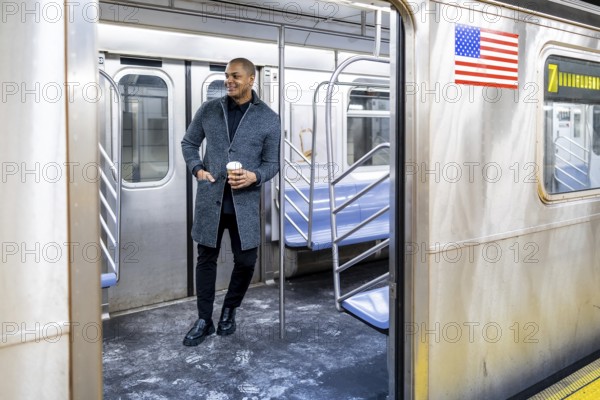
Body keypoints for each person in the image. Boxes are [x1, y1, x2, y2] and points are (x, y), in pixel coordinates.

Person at [181, 58, 280, 346]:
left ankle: (229, 310)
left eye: (235, 76)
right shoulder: (210, 110)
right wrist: (197, 168)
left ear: (251, 79)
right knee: (206, 259)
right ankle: (204, 319)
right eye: (227, 76)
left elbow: (272, 163)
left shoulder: (269, 118)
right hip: (211, 200)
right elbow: (189, 142)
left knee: (247, 261)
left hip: (245, 205)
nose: (229, 81)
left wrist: (255, 176)